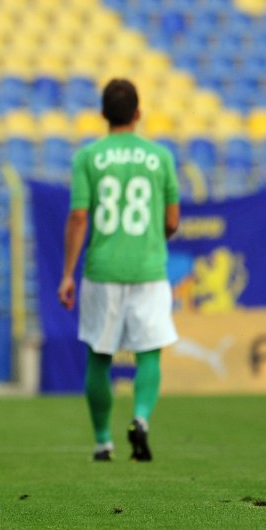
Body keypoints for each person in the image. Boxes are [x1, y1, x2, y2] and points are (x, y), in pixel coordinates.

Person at [57, 78, 180, 462]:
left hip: (102, 269)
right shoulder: (160, 157)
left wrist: (67, 274)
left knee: (99, 354)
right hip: (149, 269)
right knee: (149, 352)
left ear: (103, 115)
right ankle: (141, 419)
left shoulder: (88, 157)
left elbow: (79, 217)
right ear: (138, 114)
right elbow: (172, 222)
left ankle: (102, 441)